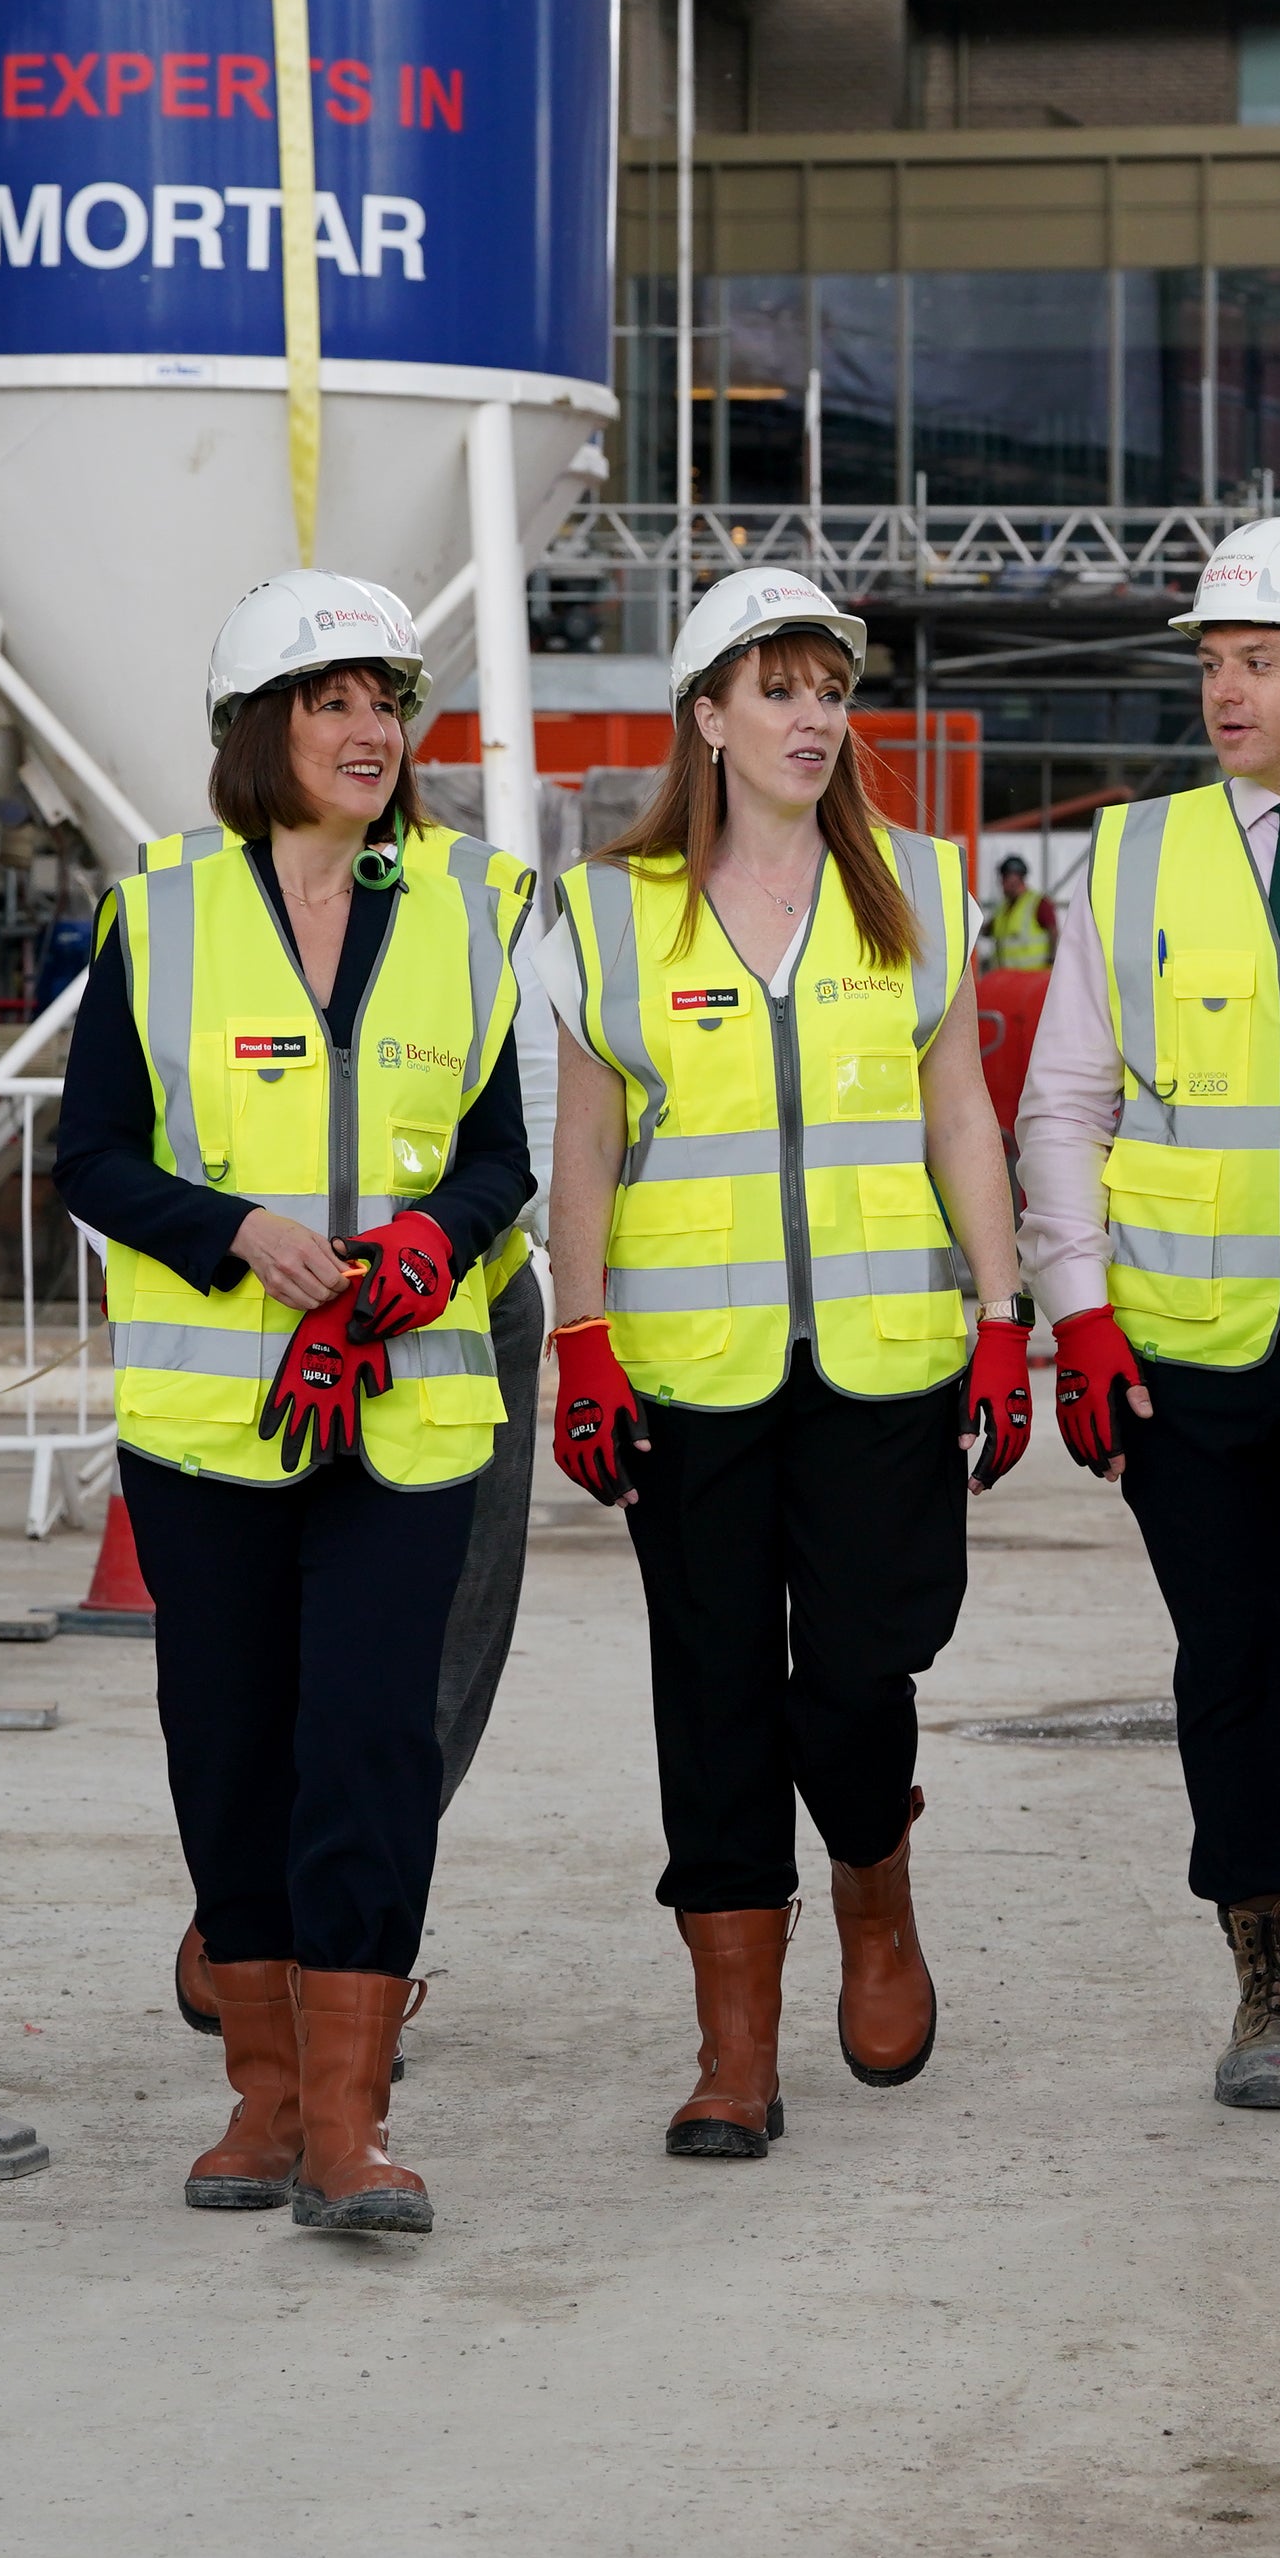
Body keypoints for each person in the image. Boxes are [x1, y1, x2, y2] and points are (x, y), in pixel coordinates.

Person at [528, 567, 1032, 2163]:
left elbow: (959, 1114)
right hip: (690, 1372)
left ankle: (875, 1889)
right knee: (716, 1692)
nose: (815, 718)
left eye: (831, 690)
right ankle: (734, 2049)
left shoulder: (919, 891)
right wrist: (582, 1337)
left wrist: (1005, 1315)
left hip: (885, 1360)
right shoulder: (610, 912)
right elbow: (589, 1141)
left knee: (862, 1675)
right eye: (780, 688)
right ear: (708, 718)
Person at [54, 570, 534, 2238]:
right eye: (330, 701)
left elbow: (503, 1154)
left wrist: (434, 1240)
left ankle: (349, 2122)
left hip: (405, 1408)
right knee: (231, 1746)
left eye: (386, 701)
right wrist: (234, 1231)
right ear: (260, 730)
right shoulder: (163, 910)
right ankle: (256, 2098)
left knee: (371, 1749)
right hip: (214, 1423)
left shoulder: (472, 900)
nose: (367, 731)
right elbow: (93, 1154)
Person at [1011, 513, 1280, 2131]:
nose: (1225, 689)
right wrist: (1079, 1310)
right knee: (1226, 1661)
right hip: (1183, 1346)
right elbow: (1062, 1102)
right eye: (1209, 662)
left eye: (1258, 659)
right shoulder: (1130, 857)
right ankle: (1265, 1970)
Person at [983, 853, 1056, 971]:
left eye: (1004, 879)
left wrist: (1051, 960)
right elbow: (987, 930)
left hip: (1032, 977)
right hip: (1007, 978)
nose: (1002, 884)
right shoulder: (1002, 909)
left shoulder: (1038, 903)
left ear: (1014, 879)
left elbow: (1053, 931)